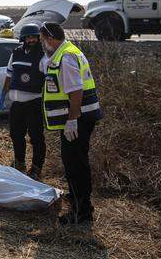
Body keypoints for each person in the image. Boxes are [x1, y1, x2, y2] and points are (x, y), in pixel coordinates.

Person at [39, 22, 103, 225]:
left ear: (50, 38)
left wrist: (72, 121)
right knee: (76, 162)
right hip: (79, 118)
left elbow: (76, 91)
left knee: (75, 165)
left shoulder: (66, 57)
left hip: (78, 120)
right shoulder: (64, 52)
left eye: (42, 39)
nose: (41, 43)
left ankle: (81, 213)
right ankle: (80, 202)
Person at [0, 24, 46, 180]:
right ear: (23, 38)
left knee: (36, 137)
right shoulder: (17, 53)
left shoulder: (43, 56)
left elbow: (49, 80)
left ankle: (36, 168)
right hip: (17, 104)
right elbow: (9, 74)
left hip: (34, 103)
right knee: (15, 135)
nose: (31, 40)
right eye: (28, 37)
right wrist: (3, 93)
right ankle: (19, 163)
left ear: (39, 38)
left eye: (34, 37)